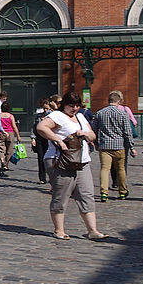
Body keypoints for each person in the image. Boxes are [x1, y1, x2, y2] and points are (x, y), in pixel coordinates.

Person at [36, 92, 108, 241]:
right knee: (61, 196)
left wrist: (85, 134)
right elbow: (41, 127)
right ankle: (59, 230)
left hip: (82, 161)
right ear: (64, 105)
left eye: (77, 105)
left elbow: (93, 135)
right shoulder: (57, 116)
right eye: (71, 106)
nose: (74, 108)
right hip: (61, 161)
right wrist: (58, 140)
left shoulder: (81, 117)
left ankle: (92, 230)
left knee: (86, 195)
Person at [93, 91, 131, 202]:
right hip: (119, 145)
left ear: (108, 100)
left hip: (105, 146)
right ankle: (123, 191)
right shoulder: (122, 113)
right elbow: (127, 131)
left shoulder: (100, 113)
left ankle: (104, 193)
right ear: (118, 101)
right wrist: (131, 146)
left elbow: (94, 129)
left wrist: (95, 143)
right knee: (120, 169)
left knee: (105, 169)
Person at [32, 96, 57, 184]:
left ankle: (52, 177)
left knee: (50, 159)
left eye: (47, 108)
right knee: (41, 158)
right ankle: (42, 178)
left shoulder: (53, 116)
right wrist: (33, 138)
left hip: (50, 139)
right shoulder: (38, 116)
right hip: (40, 138)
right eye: (44, 108)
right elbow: (34, 127)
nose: (45, 110)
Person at [0, 103, 21, 173]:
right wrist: (18, 136)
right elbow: (14, 126)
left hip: (1, 133)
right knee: (9, 150)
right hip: (10, 133)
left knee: (1, 148)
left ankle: (2, 160)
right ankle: (6, 164)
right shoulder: (11, 116)